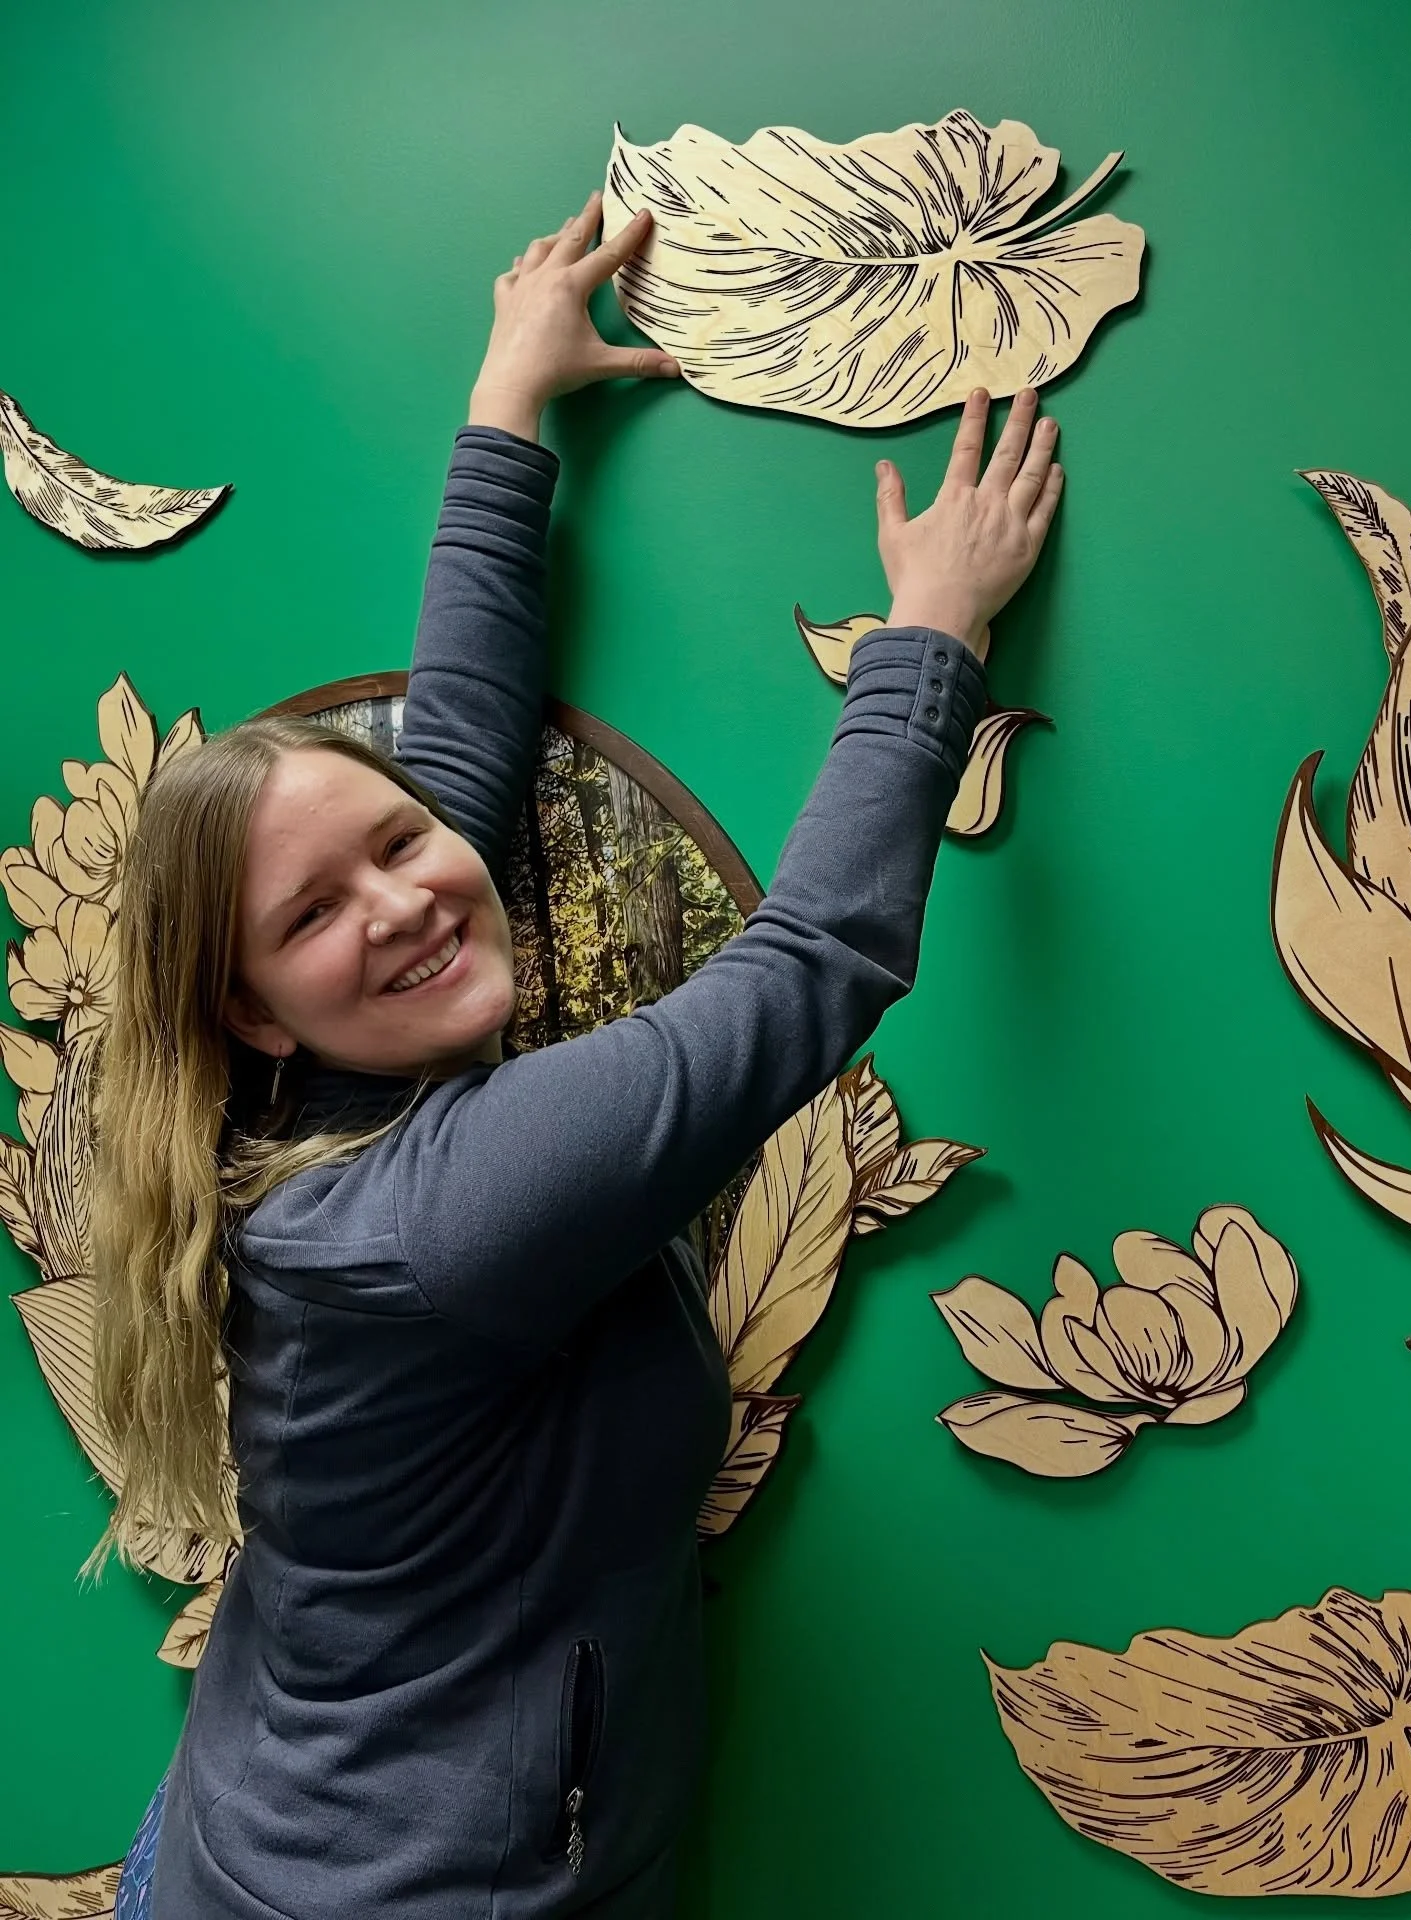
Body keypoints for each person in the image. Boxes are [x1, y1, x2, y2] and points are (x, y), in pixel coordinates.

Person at [96, 190, 1062, 1919]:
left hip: (255, 1829)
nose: (395, 904)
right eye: (313, 917)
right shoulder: (435, 1210)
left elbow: (449, 765)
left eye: (389, 847)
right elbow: (807, 974)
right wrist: (930, 643)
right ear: (250, 1006)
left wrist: (507, 404)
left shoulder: (304, 1084)